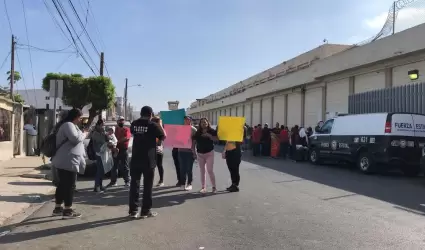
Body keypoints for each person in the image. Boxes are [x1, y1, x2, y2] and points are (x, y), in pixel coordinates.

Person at [128, 106, 165, 219]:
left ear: (141, 113)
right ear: (151, 114)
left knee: (134, 185)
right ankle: (145, 211)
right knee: (147, 186)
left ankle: (133, 211)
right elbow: (163, 136)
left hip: (135, 158)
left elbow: (133, 133)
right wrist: (159, 123)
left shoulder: (134, 123)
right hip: (149, 160)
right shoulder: (153, 125)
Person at [51, 108, 88, 219]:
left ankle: (58, 208)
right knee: (70, 186)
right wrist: (85, 134)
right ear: (76, 117)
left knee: (62, 185)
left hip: (66, 160)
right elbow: (75, 139)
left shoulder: (69, 125)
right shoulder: (68, 125)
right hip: (68, 161)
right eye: (80, 118)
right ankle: (67, 210)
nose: (81, 120)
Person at [193, 118, 217, 193]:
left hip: (209, 153)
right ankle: (203, 187)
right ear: (200, 124)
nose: (204, 123)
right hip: (200, 154)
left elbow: (217, 139)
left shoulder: (212, 131)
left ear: (207, 123)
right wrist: (194, 152)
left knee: (210, 170)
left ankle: (214, 187)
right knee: (202, 171)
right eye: (202, 122)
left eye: (205, 122)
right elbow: (193, 143)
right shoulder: (198, 132)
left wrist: (209, 136)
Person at [108, 116, 131, 187]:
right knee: (114, 166)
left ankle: (127, 181)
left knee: (125, 166)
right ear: (117, 121)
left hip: (123, 150)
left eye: (122, 120)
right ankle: (113, 181)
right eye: (120, 120)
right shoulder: (114, 129)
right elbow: (110, 137)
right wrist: (112, 144)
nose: (121, 122)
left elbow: (126, 138)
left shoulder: (126, 129)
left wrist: (116, 142)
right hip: (115, 150)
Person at [178, 116, 197, 191]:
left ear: (190, 120)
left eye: (188, 119)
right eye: (185, 119)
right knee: (182, 168)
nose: (186, 120)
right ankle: (183, 183)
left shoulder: (193, 129)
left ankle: (189, 183)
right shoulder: (180, 128)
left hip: (190, 151)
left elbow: (195, 141)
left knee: (189, 168)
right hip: (181, 151)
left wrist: (194, 151)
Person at [89, 119, 107, 193]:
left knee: (102, 170)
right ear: (98, 125)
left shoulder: (102, 132)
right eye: (102, 125)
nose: (103, 126)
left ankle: (100, 185)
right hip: (98, 153)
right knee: (99, 170)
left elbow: (106, 140)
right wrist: (104, 134)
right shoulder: (95, 133)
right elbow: (101, 141)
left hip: (103, 153)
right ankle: (97, 187)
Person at [151, 116, 165, 187]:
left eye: (156, 121)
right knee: (151, 166)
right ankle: (150, 180)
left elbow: (164, 137)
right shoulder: (150, 128)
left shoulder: (161, 129)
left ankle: (161, 180)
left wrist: (160, 125)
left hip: (158, 150)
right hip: (151, 150)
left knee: (159, 165)